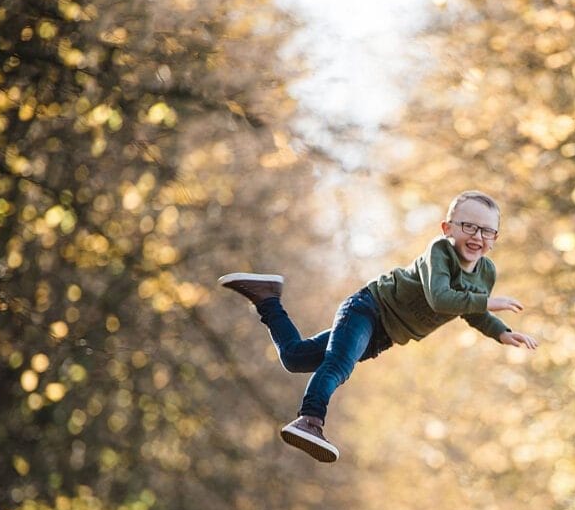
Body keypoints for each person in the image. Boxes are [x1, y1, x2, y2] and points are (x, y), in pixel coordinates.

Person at [218, 190, 538, 463]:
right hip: (369, 309)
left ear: (495, 238)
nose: (478, 237)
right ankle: (310, 420)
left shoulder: (486, 272)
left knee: (295, 357)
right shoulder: (439, 253)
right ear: (447, 228)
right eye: (469, 226)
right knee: (339, 364)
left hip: (385, 335)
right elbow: (442, 298)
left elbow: (469, 309)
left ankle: (266, 297)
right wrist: (486, 302)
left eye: (488, 231)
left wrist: (500, 331)